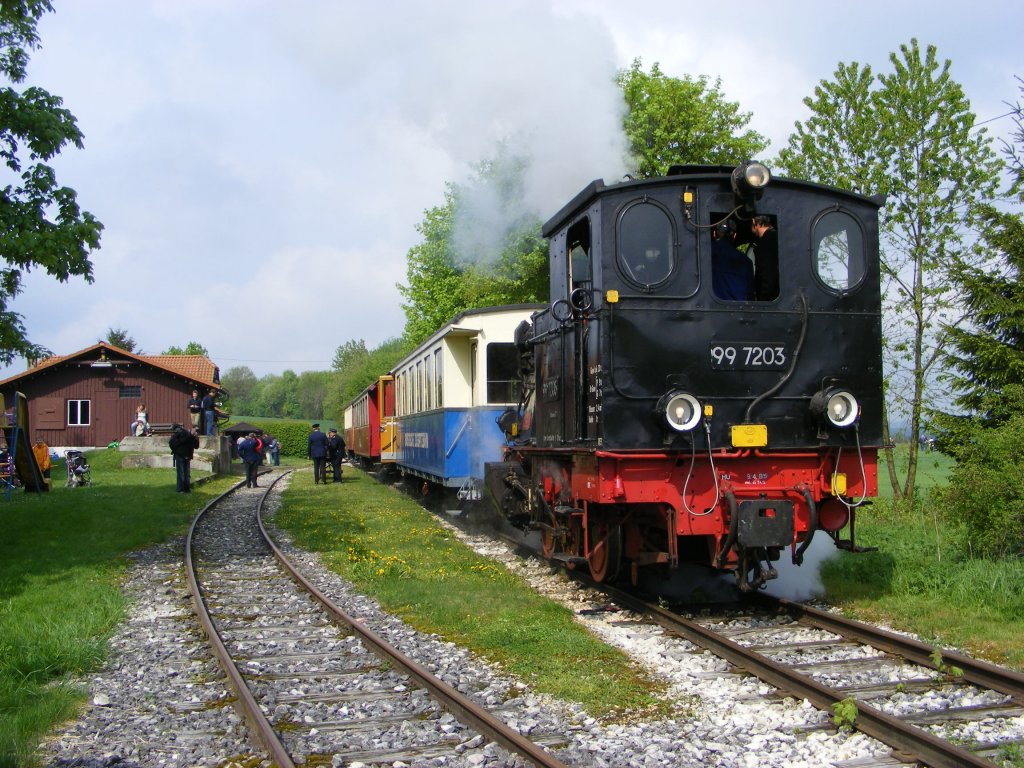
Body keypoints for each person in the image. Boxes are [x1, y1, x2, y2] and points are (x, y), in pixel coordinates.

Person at [711, 222, 754, 301]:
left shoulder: (706, 253)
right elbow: (750, 292)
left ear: (714, 234)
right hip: (738, 308)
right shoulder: (746, 261)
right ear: (734, 236)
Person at [750, 214, 779, 301]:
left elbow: (768, 272)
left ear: (754, 221)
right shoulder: (775, 236)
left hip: (770, 297)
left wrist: (763, 299)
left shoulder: (765, 242)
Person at [168, 424, 200, 493]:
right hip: (180, 455)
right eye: (195, 430)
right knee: (181, 473)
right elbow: (182, 441)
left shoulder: (191, 436)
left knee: (187, 474)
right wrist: (191, 435)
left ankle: (187, 489)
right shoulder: (183, 433)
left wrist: (197, 439)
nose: (196, 431)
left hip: (187, 456)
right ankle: (180, 489)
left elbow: (196, 446)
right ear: (192, 429)